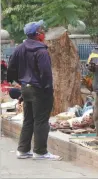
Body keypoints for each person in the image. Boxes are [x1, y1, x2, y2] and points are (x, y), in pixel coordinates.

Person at [7, 20, 60, 160]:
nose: (43, 32)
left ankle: (23, 150)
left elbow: (11, 69)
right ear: (37, 34)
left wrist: (22, 82)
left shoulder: (20, 48)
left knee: (28, 119)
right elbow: (46, 73)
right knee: (41, 121)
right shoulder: (41, 51)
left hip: (26, 88)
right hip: (40, 89)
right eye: (41, 30)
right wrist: (48, 89)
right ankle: (40, 152)